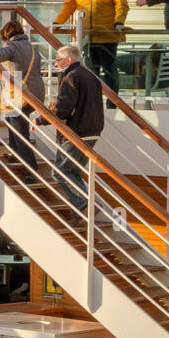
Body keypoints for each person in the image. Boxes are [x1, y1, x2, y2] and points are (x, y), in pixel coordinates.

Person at [53, 0, 128, 101]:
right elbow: (70, 5)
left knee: (109, 70)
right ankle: (93, 101)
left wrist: (118, 22)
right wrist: (57, 23)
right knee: (89, 71)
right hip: (86, 35)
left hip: (107, 35)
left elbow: (121, 3)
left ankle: (112, 104)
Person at [48, 43, 105, 213]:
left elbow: (64, 109)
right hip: (93, 130)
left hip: (78, 132)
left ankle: (84, 204)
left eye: (58, 60)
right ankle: (80, 208)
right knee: (73, 171)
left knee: (60, 171)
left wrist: (42, 119)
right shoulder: (90, 75)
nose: (56, 64)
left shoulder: (71, 76)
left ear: (69, 60)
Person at [0, 19, 42, 171]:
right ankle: (15, 154)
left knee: (21, 134)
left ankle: (31, 170)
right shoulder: (33, 48)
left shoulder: (13, 47)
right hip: (35, 93)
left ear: (7, 35)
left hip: (19, 95)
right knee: (11, 119)